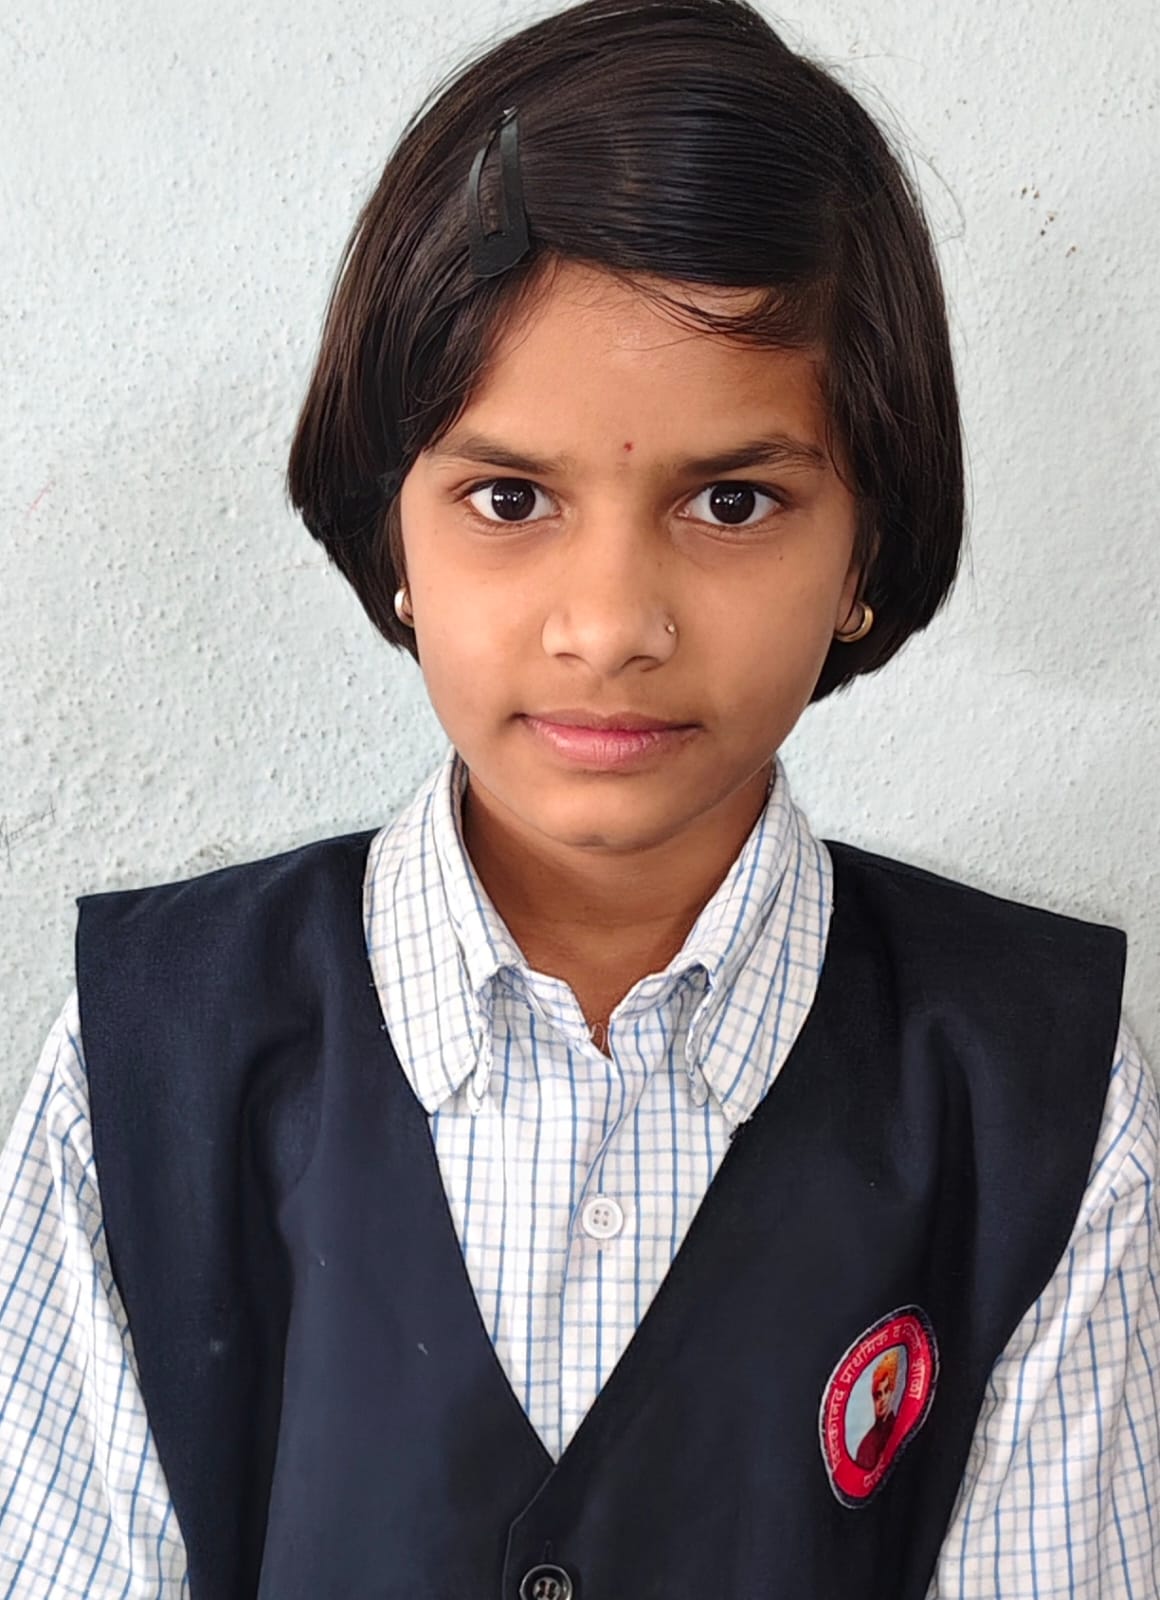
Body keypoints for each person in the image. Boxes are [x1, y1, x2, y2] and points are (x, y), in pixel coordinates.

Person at [0, 0, 1156, 1595]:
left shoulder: (1041, 1099)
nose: (610, 623)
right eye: (509, 497)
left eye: (732, 500)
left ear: (866, 552)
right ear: (391, 535)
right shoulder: (148, 1063)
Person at [854, 1350, 902, 1471]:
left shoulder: (900, 1424)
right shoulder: (866, 1446)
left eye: (886, 1390)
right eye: (877, 1395)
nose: (883, 1399)